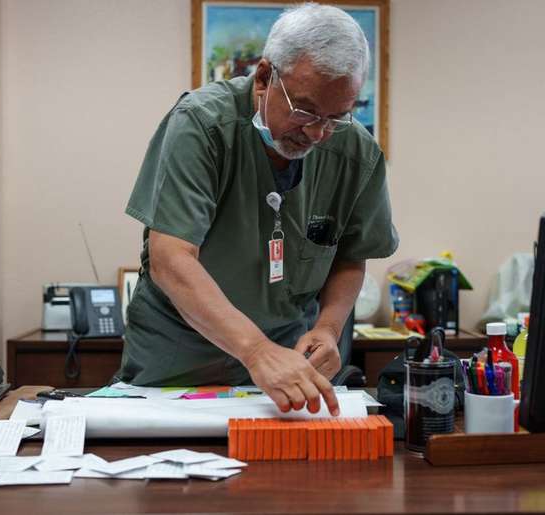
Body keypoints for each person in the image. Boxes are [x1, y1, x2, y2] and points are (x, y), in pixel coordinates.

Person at [116, 3, 398, 416]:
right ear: (265, 77)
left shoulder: (356, 151)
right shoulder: (201, 125)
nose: (318, 133)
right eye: (304, 111)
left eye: (336, 117)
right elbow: (170, 258)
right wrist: (254, 349)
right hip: (179, 359)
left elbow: (351, 257)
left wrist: (328, 327)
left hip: (288, 365)